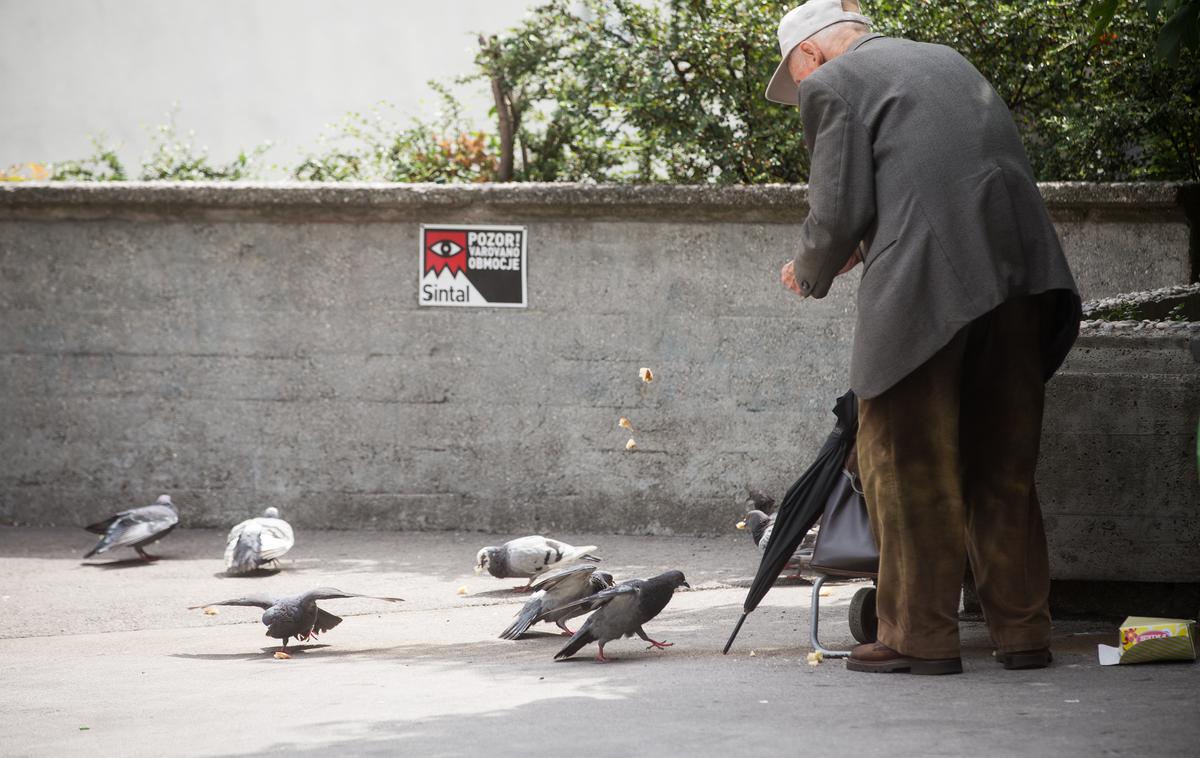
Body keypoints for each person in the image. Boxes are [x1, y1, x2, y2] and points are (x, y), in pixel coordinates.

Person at [766, 0, 1082, 674]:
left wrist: (812, 270)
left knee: (904, 463)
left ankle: (918, 637)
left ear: (810, 57)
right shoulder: (945, 60)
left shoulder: (832, 85)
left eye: (796, 80)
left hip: (928, 291)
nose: (801, 92)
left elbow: (839, 207)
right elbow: (929, 180)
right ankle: (1024, 633)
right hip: (1020, 276)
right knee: (1003, 465)